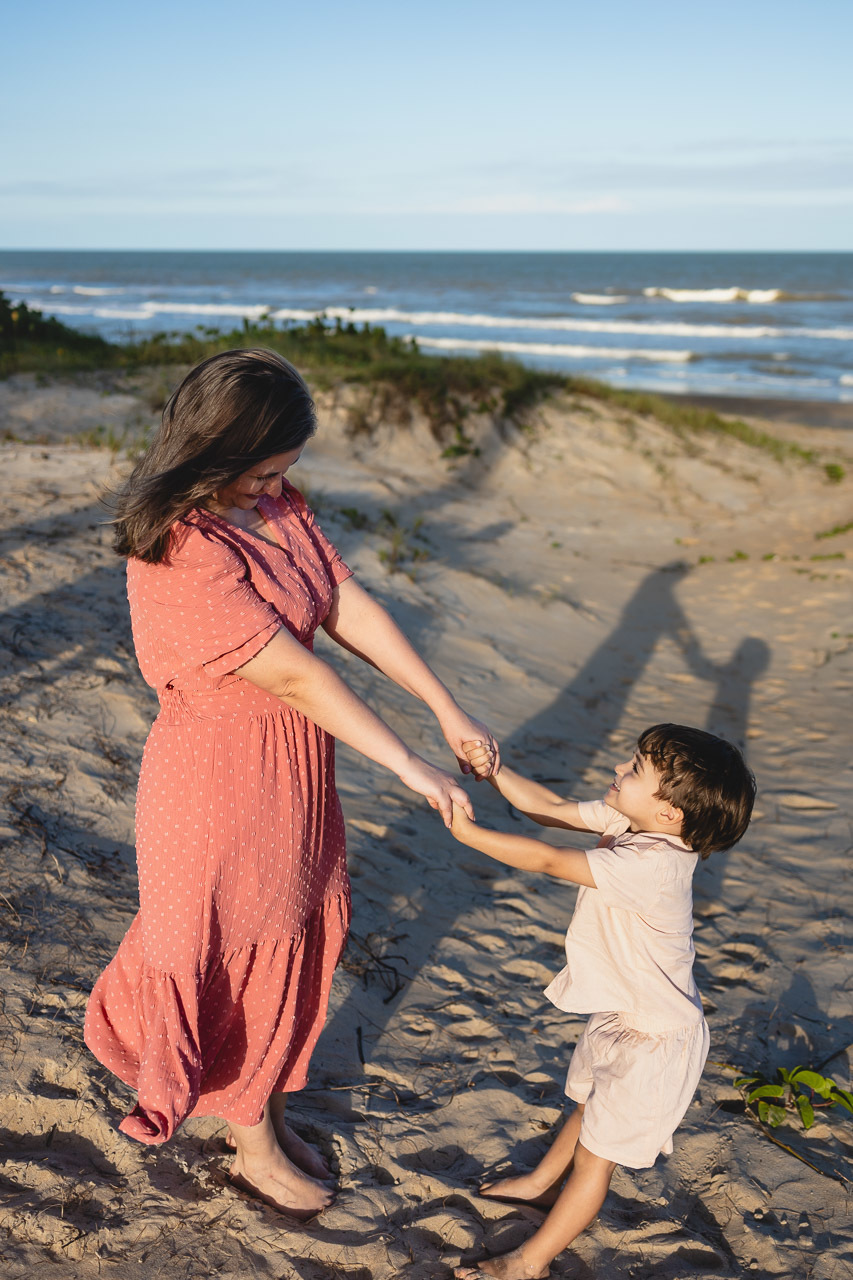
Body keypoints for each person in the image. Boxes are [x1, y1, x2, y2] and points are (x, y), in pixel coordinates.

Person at [84, 347, 498, 1219]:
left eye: (283, 470)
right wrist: (407, 762)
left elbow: (342, 601)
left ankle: (261, 1111)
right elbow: (295, 676)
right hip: (219, 785)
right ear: (214, 450)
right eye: (264, 470)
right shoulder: (181, 549)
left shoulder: (271, 504)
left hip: (294, 771)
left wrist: (445, 707)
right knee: (240, 952)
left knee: (289, 940)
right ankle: (254, 1143)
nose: (276, 486)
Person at [448, 723, 755, 1280]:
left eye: (634, 770)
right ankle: (541, 1184)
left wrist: (470, 835)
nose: (618, 769)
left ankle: (530, 1262)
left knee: (596, 1159)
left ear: (670, 813)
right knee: (587, 1106)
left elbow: (549, 860)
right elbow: (548, 809)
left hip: (657, 1040)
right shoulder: (629, 822)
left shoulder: (654, 867)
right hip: (623, 1015)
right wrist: (496, 772)